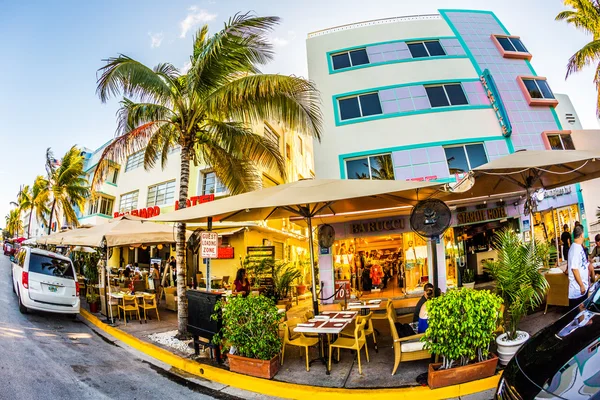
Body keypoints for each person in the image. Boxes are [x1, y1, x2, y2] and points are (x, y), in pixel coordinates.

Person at [567, 225, 592, 308]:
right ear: (581, 235)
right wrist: (581, 285)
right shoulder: (574, 249)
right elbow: (574, 269)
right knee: (581, 317)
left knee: (586, 317)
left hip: (583, 289)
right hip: (577, 291)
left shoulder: (579, 247)